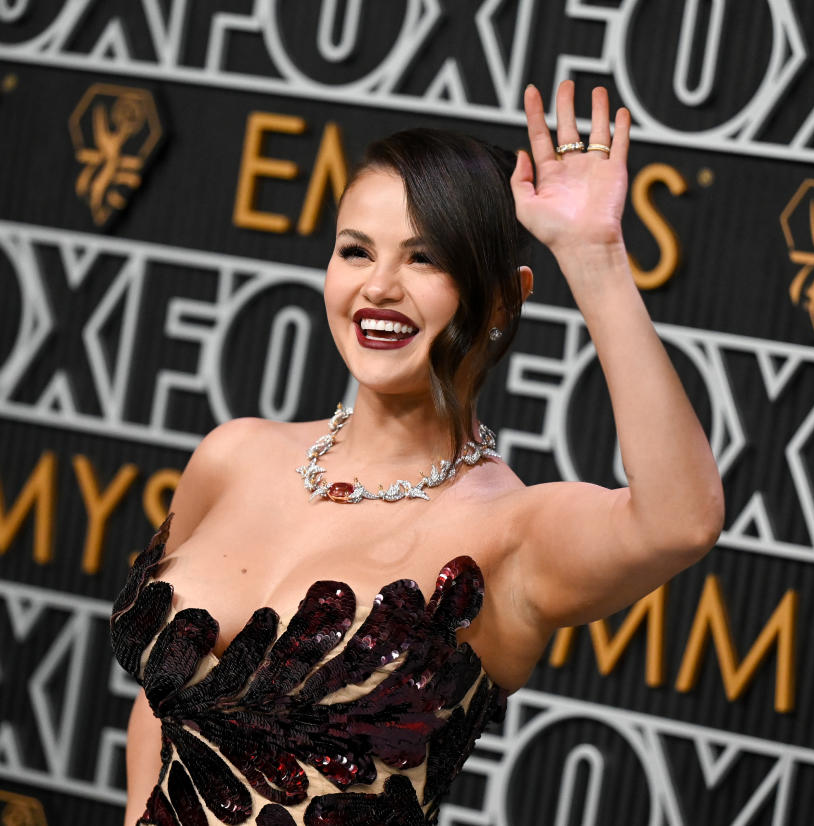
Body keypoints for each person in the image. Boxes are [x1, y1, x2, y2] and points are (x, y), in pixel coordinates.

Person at [110, 81, 724, 825]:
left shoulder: (509, 532)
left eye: (424, 259)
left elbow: (679, 523)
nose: (378, 287)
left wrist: (593, 258)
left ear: (501, 301)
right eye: (354, 250)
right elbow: (165, 704)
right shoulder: (233, 454)